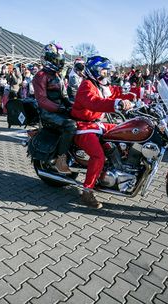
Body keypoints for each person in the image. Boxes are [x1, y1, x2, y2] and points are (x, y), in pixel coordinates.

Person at [71, 56, 133, 208]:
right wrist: (117, 103)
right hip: (83, 126)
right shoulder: (87, 85)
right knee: (98, 155)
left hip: (96, 124)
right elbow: (93, 102)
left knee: (125, 130)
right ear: (96, 71)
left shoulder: (99, 85)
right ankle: (87, 191)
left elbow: (114, 92)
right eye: (105, 72)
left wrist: (141, 93)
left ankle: (121, 164)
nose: (107, 75)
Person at [32, 43, 77, 174]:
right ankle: (60, 160)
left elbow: (64, 97)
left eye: (60, 60)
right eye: (56, 60)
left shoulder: (57, 76)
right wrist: (61, 109)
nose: (59, 63)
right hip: (47, 113)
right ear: (48, 59)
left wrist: (76, 106)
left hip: (58, 110)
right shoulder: (40, 76)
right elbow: (42, 100)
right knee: (70, 126)